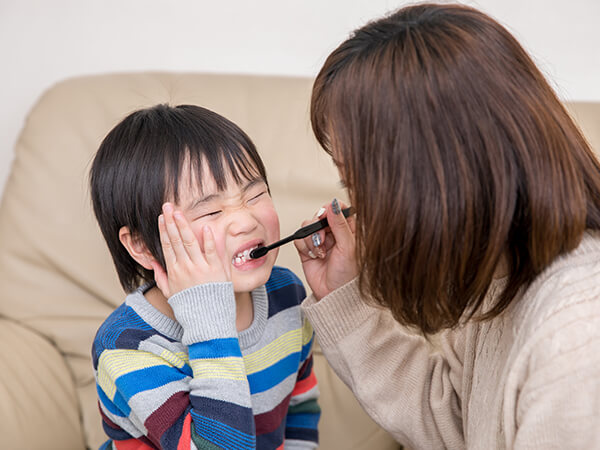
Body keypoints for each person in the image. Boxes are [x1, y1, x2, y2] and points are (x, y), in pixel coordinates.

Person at [295, 3, 600, 449]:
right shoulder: (504, 270)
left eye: (357, 181)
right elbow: (455, 421)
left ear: (435, 176)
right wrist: (347, 298)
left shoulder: (576, 341)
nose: (355, 206)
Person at [89, 104, 320, 449]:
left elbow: (300, 411)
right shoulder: (127, 346)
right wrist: (211, 326)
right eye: (211, 210)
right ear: (142, 245)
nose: (245, 221)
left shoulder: (287, 293)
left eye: (255, 194)